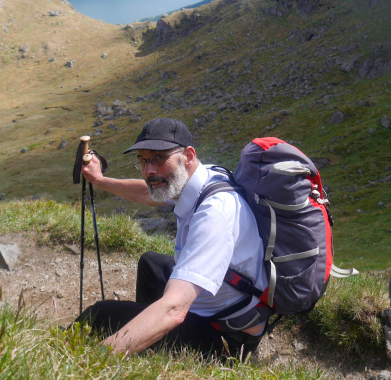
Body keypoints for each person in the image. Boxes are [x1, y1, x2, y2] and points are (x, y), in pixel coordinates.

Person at [76, 118, 272, 358]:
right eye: (143, 160)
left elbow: (175, 310)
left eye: (159, 158)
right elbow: (150, 194)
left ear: (187, 156)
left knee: (99, 315)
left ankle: (219, 356)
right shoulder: (202, 176)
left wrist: (93, 361)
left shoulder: (214, 214)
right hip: (228, 302)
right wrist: (100, 181)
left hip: (225, 331)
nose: (149, 170)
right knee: (151, 264)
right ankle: (148, 346)